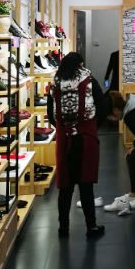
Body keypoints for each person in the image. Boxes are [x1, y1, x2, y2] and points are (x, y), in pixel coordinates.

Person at [47, 52, 105, 239]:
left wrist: (64, 127)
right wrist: (93, 126)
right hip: (85, 136)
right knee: (86, 184)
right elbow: (102, 105)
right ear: (80, 64)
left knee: (65, 186)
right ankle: (91, 226)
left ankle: (63, 228)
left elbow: (50, 114)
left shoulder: (55, 83)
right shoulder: (88, 80)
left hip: (65, 138)